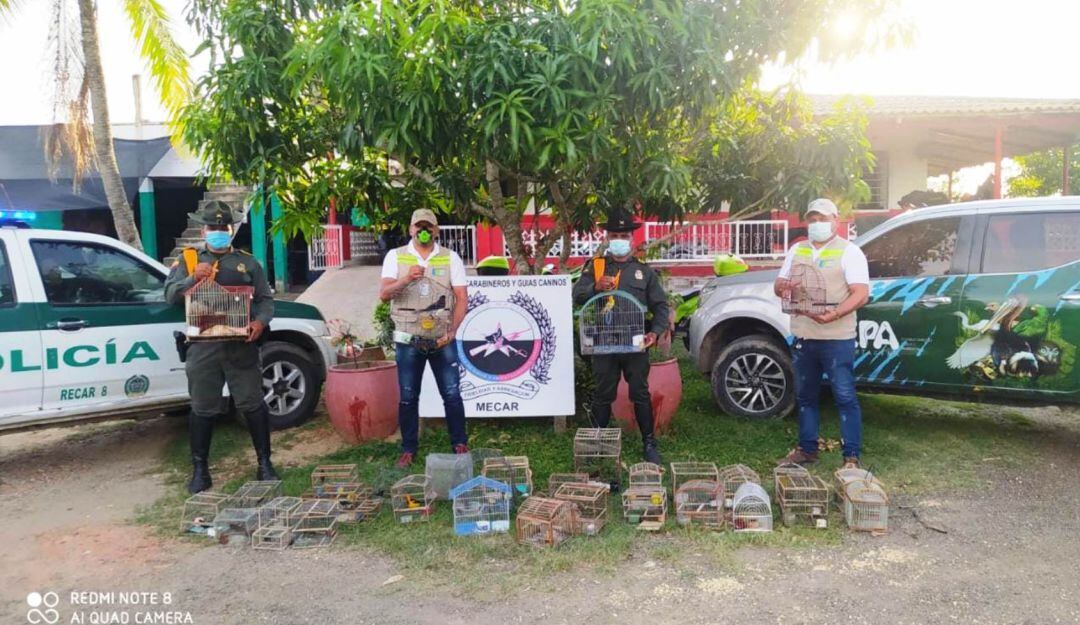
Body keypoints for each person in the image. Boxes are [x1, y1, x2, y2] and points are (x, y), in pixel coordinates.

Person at [164, 200, 277, 494]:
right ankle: (200, 469)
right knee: (202, 407)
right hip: (203, 347)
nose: (218, 232)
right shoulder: (188, 260)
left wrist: (260, 323)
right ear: (204, 230)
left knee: (252, 403)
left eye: (222, 227)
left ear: (231, 230)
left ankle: (265, 464)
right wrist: (193, 278)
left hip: (241, 345)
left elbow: (265, 298)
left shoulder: (248, 262)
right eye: (212, 227)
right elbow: (169, 295)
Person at [774, 198, 870, 469]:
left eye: (822, 219)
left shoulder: (849, 252)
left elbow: (861, 293)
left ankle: (851, 456)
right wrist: (784, 287)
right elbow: (779, 284)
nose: (817, 224)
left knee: (844, 396)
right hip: (804, 334)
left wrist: (835, 314)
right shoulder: (797, 250)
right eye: (812, 219)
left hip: (837, 337)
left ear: (835, 221)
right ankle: (807, 449)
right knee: (805, 396)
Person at [573, 210, 670, 464]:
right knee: (604, 393)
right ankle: (598, 444)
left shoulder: (643, 272)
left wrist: (655, 332)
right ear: (607, 238)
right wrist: (595, 287)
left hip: (635, 341)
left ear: (632, 239)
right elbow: (577, 295)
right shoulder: (596, 267)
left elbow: (660, 306)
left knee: (640, 392)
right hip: (604, 340)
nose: (619, 239)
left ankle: (649, 442)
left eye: (623, 235)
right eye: (614, 235)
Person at [379, 209, 469, 468]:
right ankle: (408, 449)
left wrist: (452, 332)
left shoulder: (450, 258)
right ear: (410, 230)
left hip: (442, 340)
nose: (423, 231)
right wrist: (407, 278)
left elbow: (462, 298)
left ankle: (459, 444)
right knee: (408, 396)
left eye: (428, 226)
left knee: (452, 394)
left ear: (436, 230)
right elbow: (384, 294)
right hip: (408, 339)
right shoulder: (395, 257)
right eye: (418, 226)